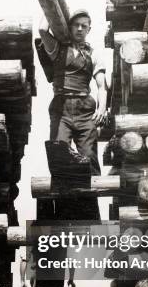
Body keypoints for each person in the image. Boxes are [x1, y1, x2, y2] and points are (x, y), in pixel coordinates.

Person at [39, 9, 108, 176]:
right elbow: (42, 29)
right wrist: (51, 4)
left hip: (85, 110)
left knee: (89, 156)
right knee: (59, 153)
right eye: (76, 25)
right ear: (70, 27)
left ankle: (89, 200)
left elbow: (102, 87)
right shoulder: (57, 49)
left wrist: (101, 108)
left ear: (89, 29)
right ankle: (63, 200)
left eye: (83, 26)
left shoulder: (94, 53)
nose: (79, 29)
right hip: (61, 109)